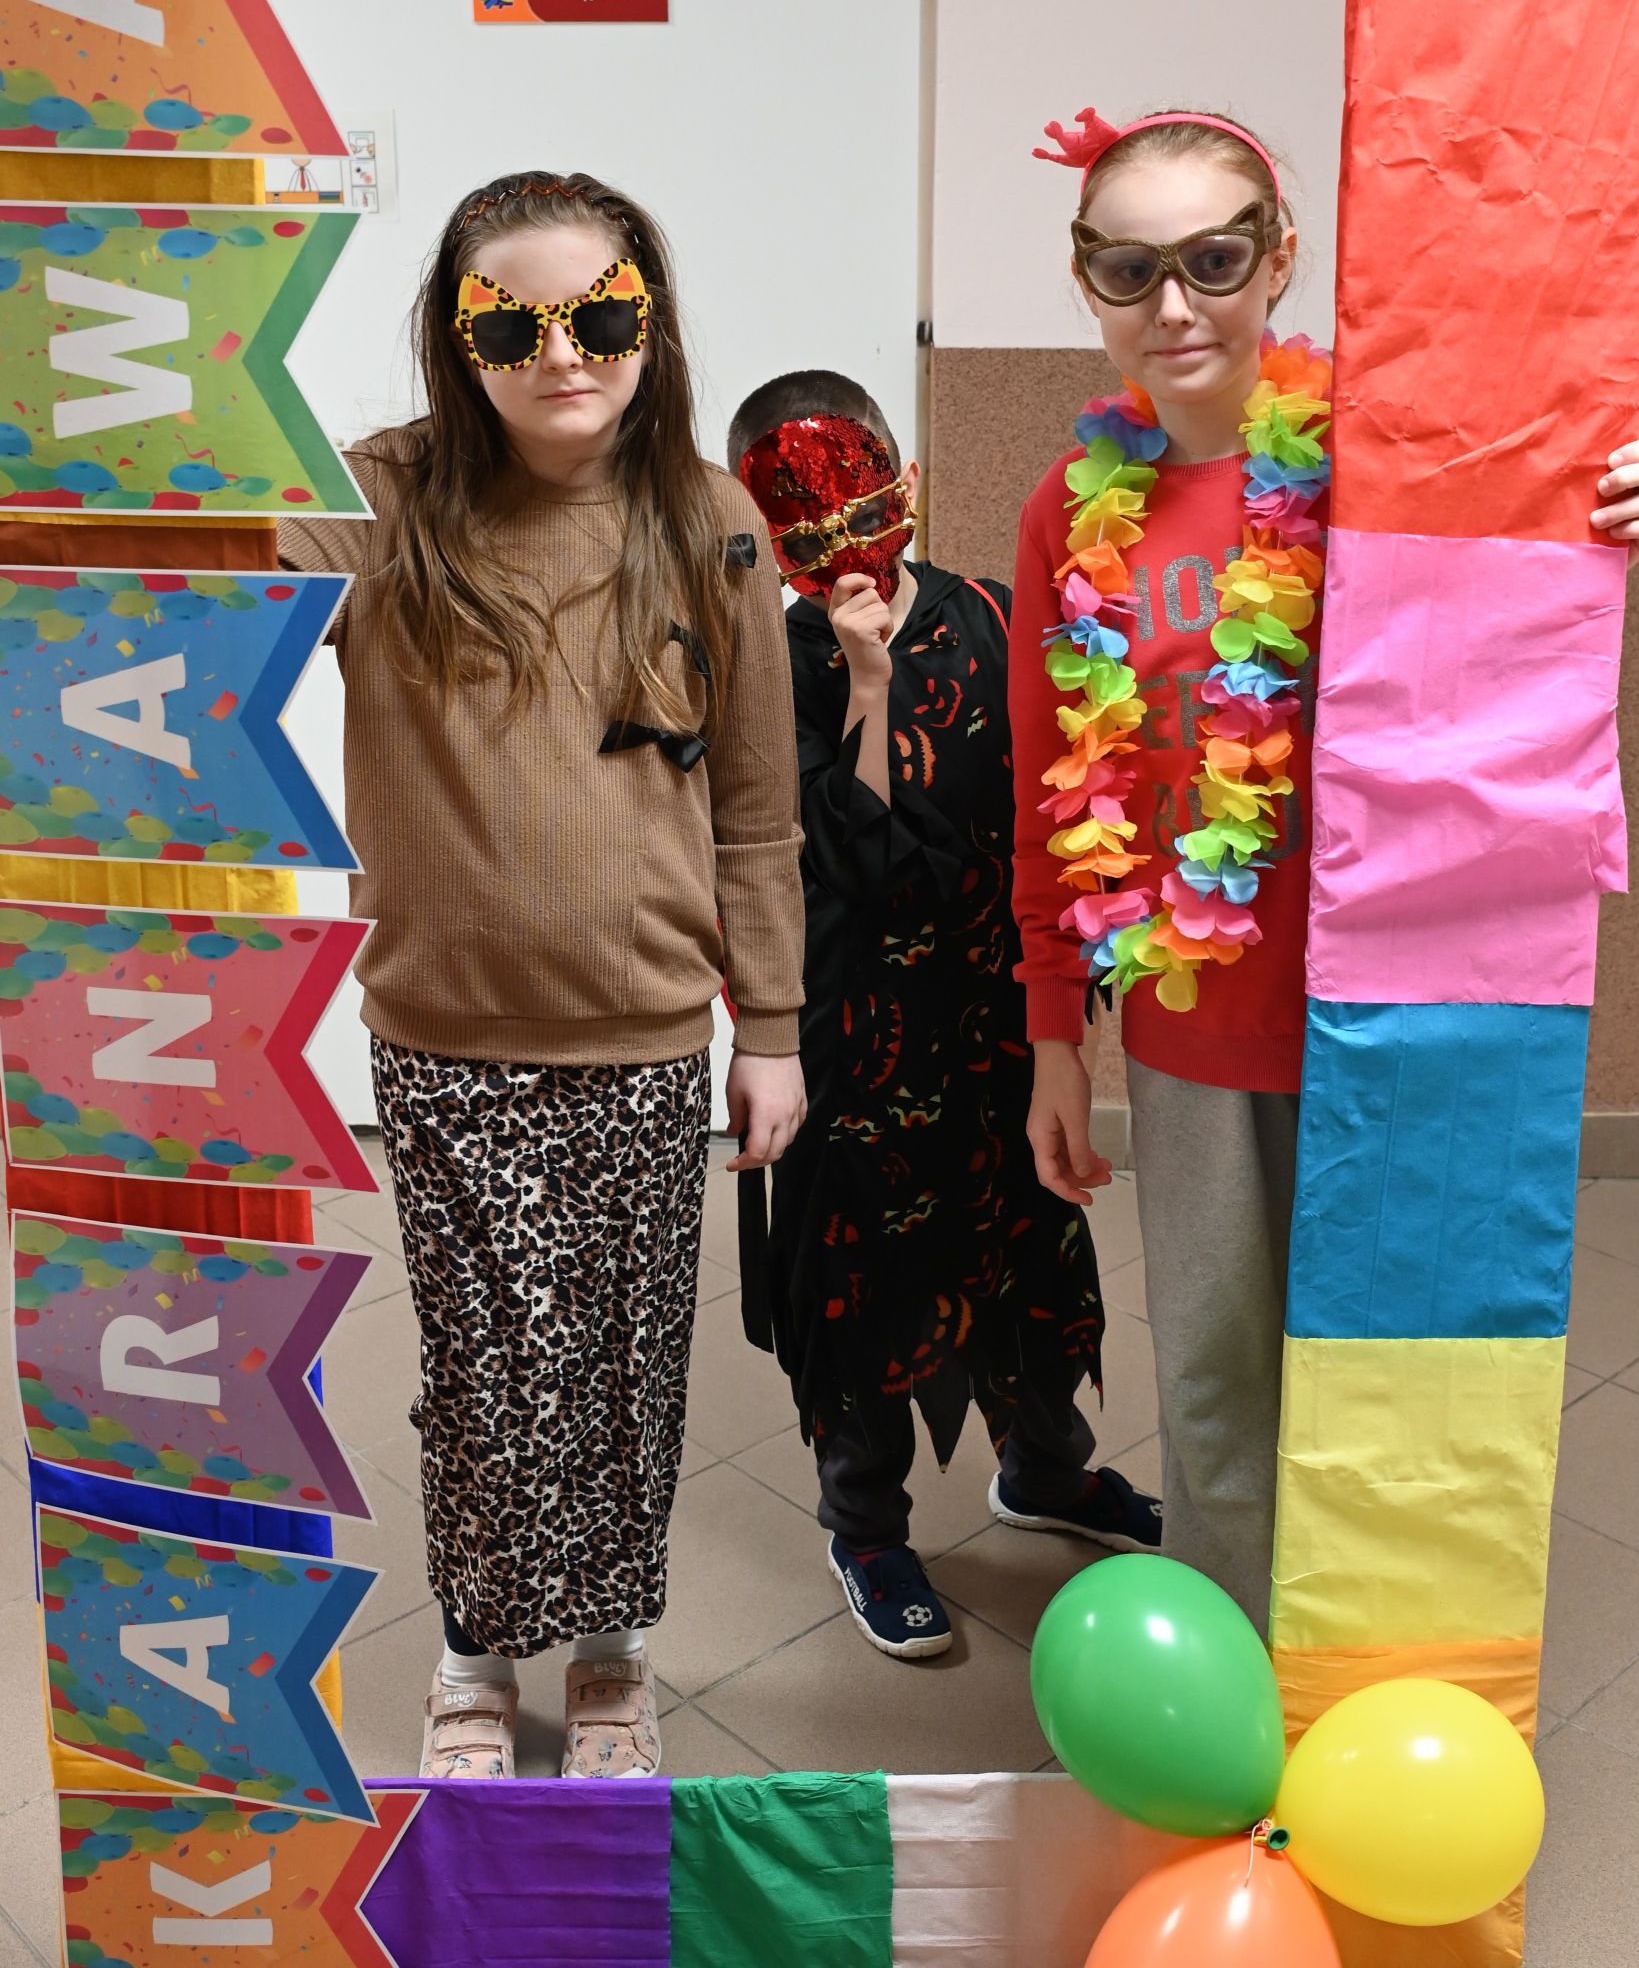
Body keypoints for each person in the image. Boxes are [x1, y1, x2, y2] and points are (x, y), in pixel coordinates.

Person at [1008, 104, 1639, 1629]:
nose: (1173, 305)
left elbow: (1551, 529)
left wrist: (1610, 498)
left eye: (1213, 260)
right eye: (1127, 269)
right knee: (1215, 1385)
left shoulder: (1399, 463)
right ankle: (1232, 1681)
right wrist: (1054, 1038)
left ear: (1280, 257)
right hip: (1190, 1033)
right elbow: (1045, 798)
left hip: (1402, 1015)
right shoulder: (1069, 516)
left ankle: (1384, 1660)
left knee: (1392, 1375)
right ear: (1086, 281)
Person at [279, 172, 806, 1780]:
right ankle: (474, 1654)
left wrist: (770, 1029)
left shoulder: (709, 521)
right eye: (511, 325)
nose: (562, 354)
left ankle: (610, 1659)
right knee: (483, 1378)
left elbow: (757, 807)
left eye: (601, 314)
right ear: (460, 340)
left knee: (624, 1373)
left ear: (650, 316)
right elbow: (199, 560)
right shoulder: (386, 501)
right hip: (443, 1035)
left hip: (642, 1036)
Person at [729, 370, 1158, 1664]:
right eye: (803, 531)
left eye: (860, 508)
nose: (844, 550)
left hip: (992, 1017)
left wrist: (1071, 996)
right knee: (859, 1288)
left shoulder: (993, 613)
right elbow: (849, 856)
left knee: (1034, 1250)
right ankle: (864, 1526)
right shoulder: (770, 661)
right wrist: (863, 684)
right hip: (856, 1038)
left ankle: (1046, 1468)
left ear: (903, 483)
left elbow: (1064, 799)